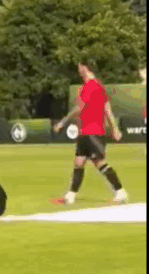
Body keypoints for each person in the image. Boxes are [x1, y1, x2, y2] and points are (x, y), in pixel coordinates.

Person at [54, 63, 128, 204]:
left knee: (99, 162)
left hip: (92, 132)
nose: (78, 71)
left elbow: (79, 107)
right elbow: (107, 109)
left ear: (85, 68)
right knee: (79, 162)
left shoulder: (90, 86)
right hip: (85, 132)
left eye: (80, 68)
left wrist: (62, 123)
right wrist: (114, 128)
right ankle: (71, 195)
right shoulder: (99, 86)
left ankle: (120, 191)